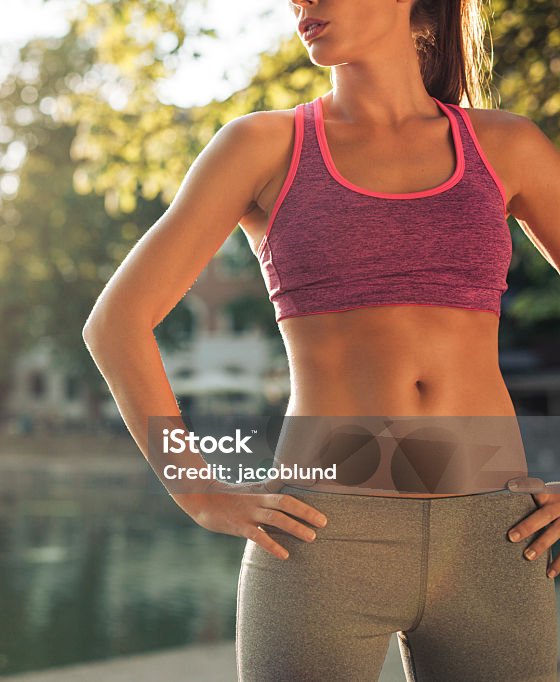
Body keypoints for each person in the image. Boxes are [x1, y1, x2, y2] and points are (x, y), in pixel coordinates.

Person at [81, 0, 560, 679]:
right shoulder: (262, 146)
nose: (301, 3)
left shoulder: (507, 145)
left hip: (497, 535)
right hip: (321, 534)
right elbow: (116, 321)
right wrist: (199, 490)